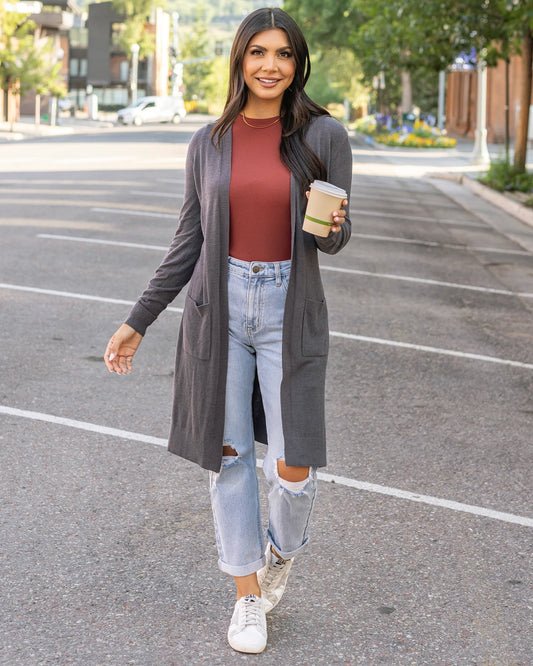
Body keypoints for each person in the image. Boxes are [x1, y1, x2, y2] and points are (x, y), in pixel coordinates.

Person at [104, 6, 352, 655]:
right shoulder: (209, 141)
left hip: (288, 310)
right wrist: (138, 320)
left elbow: (336, 238)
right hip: (219, 310)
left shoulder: (323, 136)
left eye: (283, 54)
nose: (270, 65)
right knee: (230, 459)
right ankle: (246, 597)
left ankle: (281, 550)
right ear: (239, 60)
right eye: (257, 53)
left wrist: (330, 225)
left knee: (292, 467)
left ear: (298, 65)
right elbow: (188, 241)